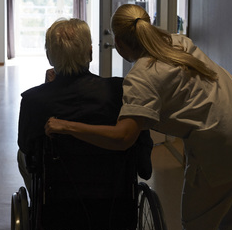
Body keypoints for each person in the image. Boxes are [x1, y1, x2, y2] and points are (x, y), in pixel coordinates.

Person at [45, 4, 232, 230]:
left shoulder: (141, 77)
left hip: (224, 146)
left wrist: (67, 125)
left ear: (117, 41)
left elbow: (123, 137)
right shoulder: (178, 42)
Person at [17, 17, 153, 193]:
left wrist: (47, 89)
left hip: (57, 195)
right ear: (90, 53)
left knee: (22, 156)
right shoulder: (120, 90)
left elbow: (27, 147)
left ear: (50, 57)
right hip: (114, 195)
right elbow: (141, 141)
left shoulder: (32, 100)